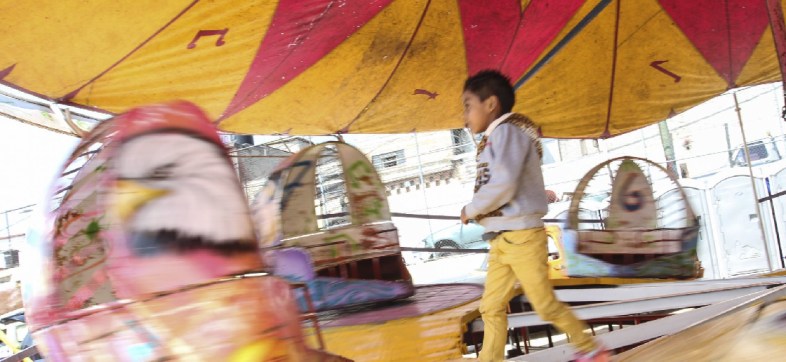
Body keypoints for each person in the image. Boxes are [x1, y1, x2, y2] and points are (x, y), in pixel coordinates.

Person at [460, 70, 609, 362]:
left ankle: (592, 349)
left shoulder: (507, 133)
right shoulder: (493, 140)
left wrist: (471, 209)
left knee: (544, 305)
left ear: (490, 104)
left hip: (523, 238)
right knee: (490, 307)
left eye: (468, 105)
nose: (465, 116)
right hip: (501, 240)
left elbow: (503, 184)